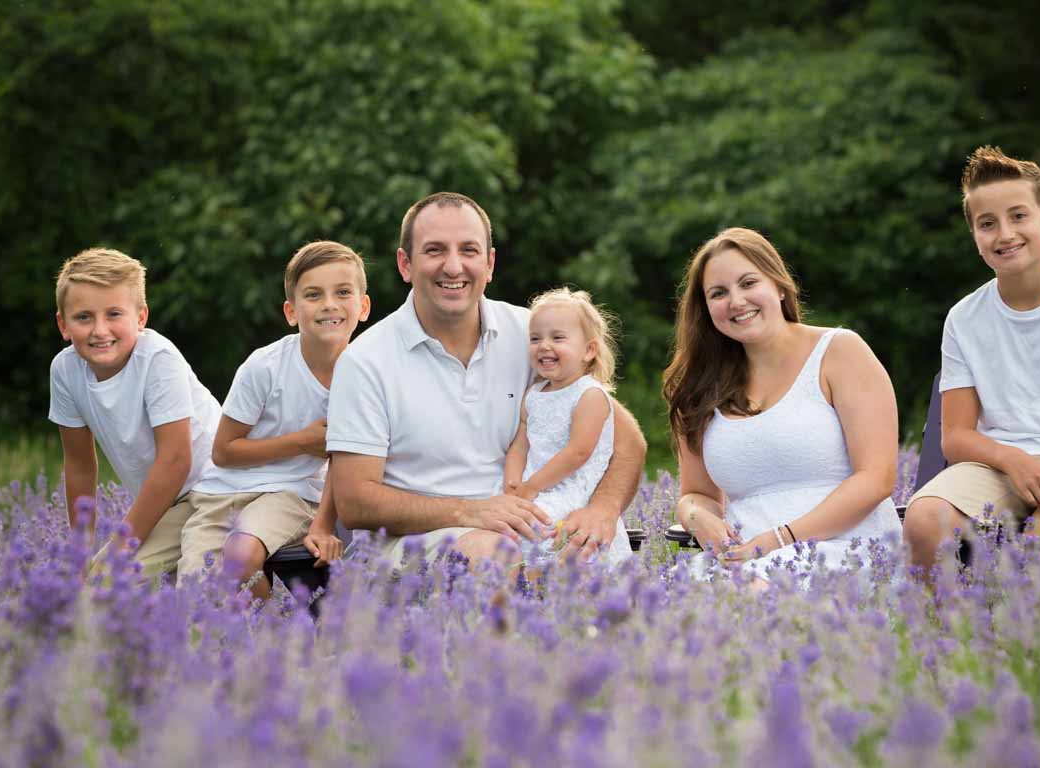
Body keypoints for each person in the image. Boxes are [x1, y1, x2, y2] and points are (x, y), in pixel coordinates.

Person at [326, 192, 646, 567]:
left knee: (589, 569)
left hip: (526, 523)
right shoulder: (366, 361)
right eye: (434, 250)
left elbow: (627, 442)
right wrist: (470, 512)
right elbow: (355, 500)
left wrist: (603, 510)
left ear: (490, 263)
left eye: (469, 250)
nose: (453, 266)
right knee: (494, 558)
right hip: (414, 542)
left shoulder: (534, 337)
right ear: (405, 264)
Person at [902, 146, 1040, 573]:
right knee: (923, 520)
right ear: (975, 238)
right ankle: (949, 636)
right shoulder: (964, 319)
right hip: (997, 465)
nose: (1004, 233)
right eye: (987, 224)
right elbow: (955, 436)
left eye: (1018, 216)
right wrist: (1014, 460)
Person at [662, 227, 900, 578]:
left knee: (746, 601)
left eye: (748, 283)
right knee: (664, 604)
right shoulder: (700, 388)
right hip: (741, 559)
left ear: (779, 284)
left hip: (846, 548)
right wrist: (697, 519)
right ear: (706, 308)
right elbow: (697, 494)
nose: (736, 301)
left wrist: (780, 539)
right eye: (718, 293)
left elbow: (876, 478)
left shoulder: (840, 352)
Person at [182, 241, 370, 597]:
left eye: (342, 292)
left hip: (293, 492)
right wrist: (301, 441)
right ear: (291, 311)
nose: (329, 304)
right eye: (313, 295)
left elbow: (343, 458)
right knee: (194, 593)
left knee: (239, 558)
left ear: (363, 307)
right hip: (222, 493)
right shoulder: (264, 367)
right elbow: (223, 452)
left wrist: (323, 526)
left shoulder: (364, 373)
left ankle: (276, 640)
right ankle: (244, 644)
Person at [49, 247, 222, 578]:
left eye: (114, 314)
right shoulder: (65, 370)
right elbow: (80, 466)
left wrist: (121, 546)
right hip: (170, 501)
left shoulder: (157, 358)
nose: (100, 330)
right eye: (84, 317)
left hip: (217, 490)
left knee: (191, 582)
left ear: (141, 317)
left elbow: (176, 460)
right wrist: (80, 555)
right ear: (63, 324)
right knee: (92, 586)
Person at [502, 288, 632, 565]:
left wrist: (532, 487)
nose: (544, 345)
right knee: (508, 523)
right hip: (534, 487)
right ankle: (529, 588)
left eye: (557, 338)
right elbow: (521, 444)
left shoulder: (590, 395)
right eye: (535, 338)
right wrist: (513, 483)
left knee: (535, 530)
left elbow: (577, 452)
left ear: (589, 350)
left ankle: (544, 587)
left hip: (572, 490)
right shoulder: (534, 394)